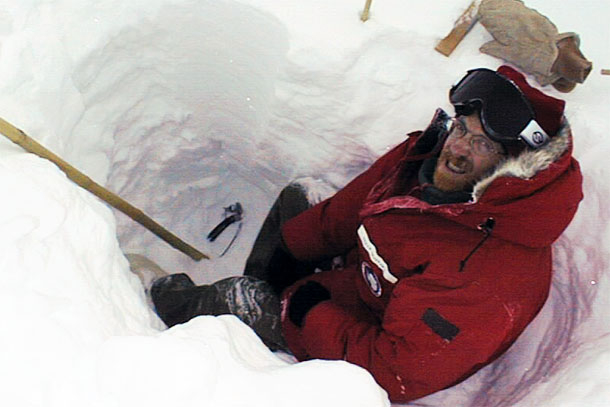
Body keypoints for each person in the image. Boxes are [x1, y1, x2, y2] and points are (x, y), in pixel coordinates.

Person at [138, 65, 583, 403]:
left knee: (240, 297)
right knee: (300, 199)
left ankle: (161, 304)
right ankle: (261, 311)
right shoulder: (429, 158)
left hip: (371, 339)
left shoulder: (485, 278)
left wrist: (305, 313)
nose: (458, 147)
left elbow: (396, 374)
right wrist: (291, 252)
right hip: (369, 281)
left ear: (513, 168)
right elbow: (355, 206)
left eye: (483, 144)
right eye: (463, 129)